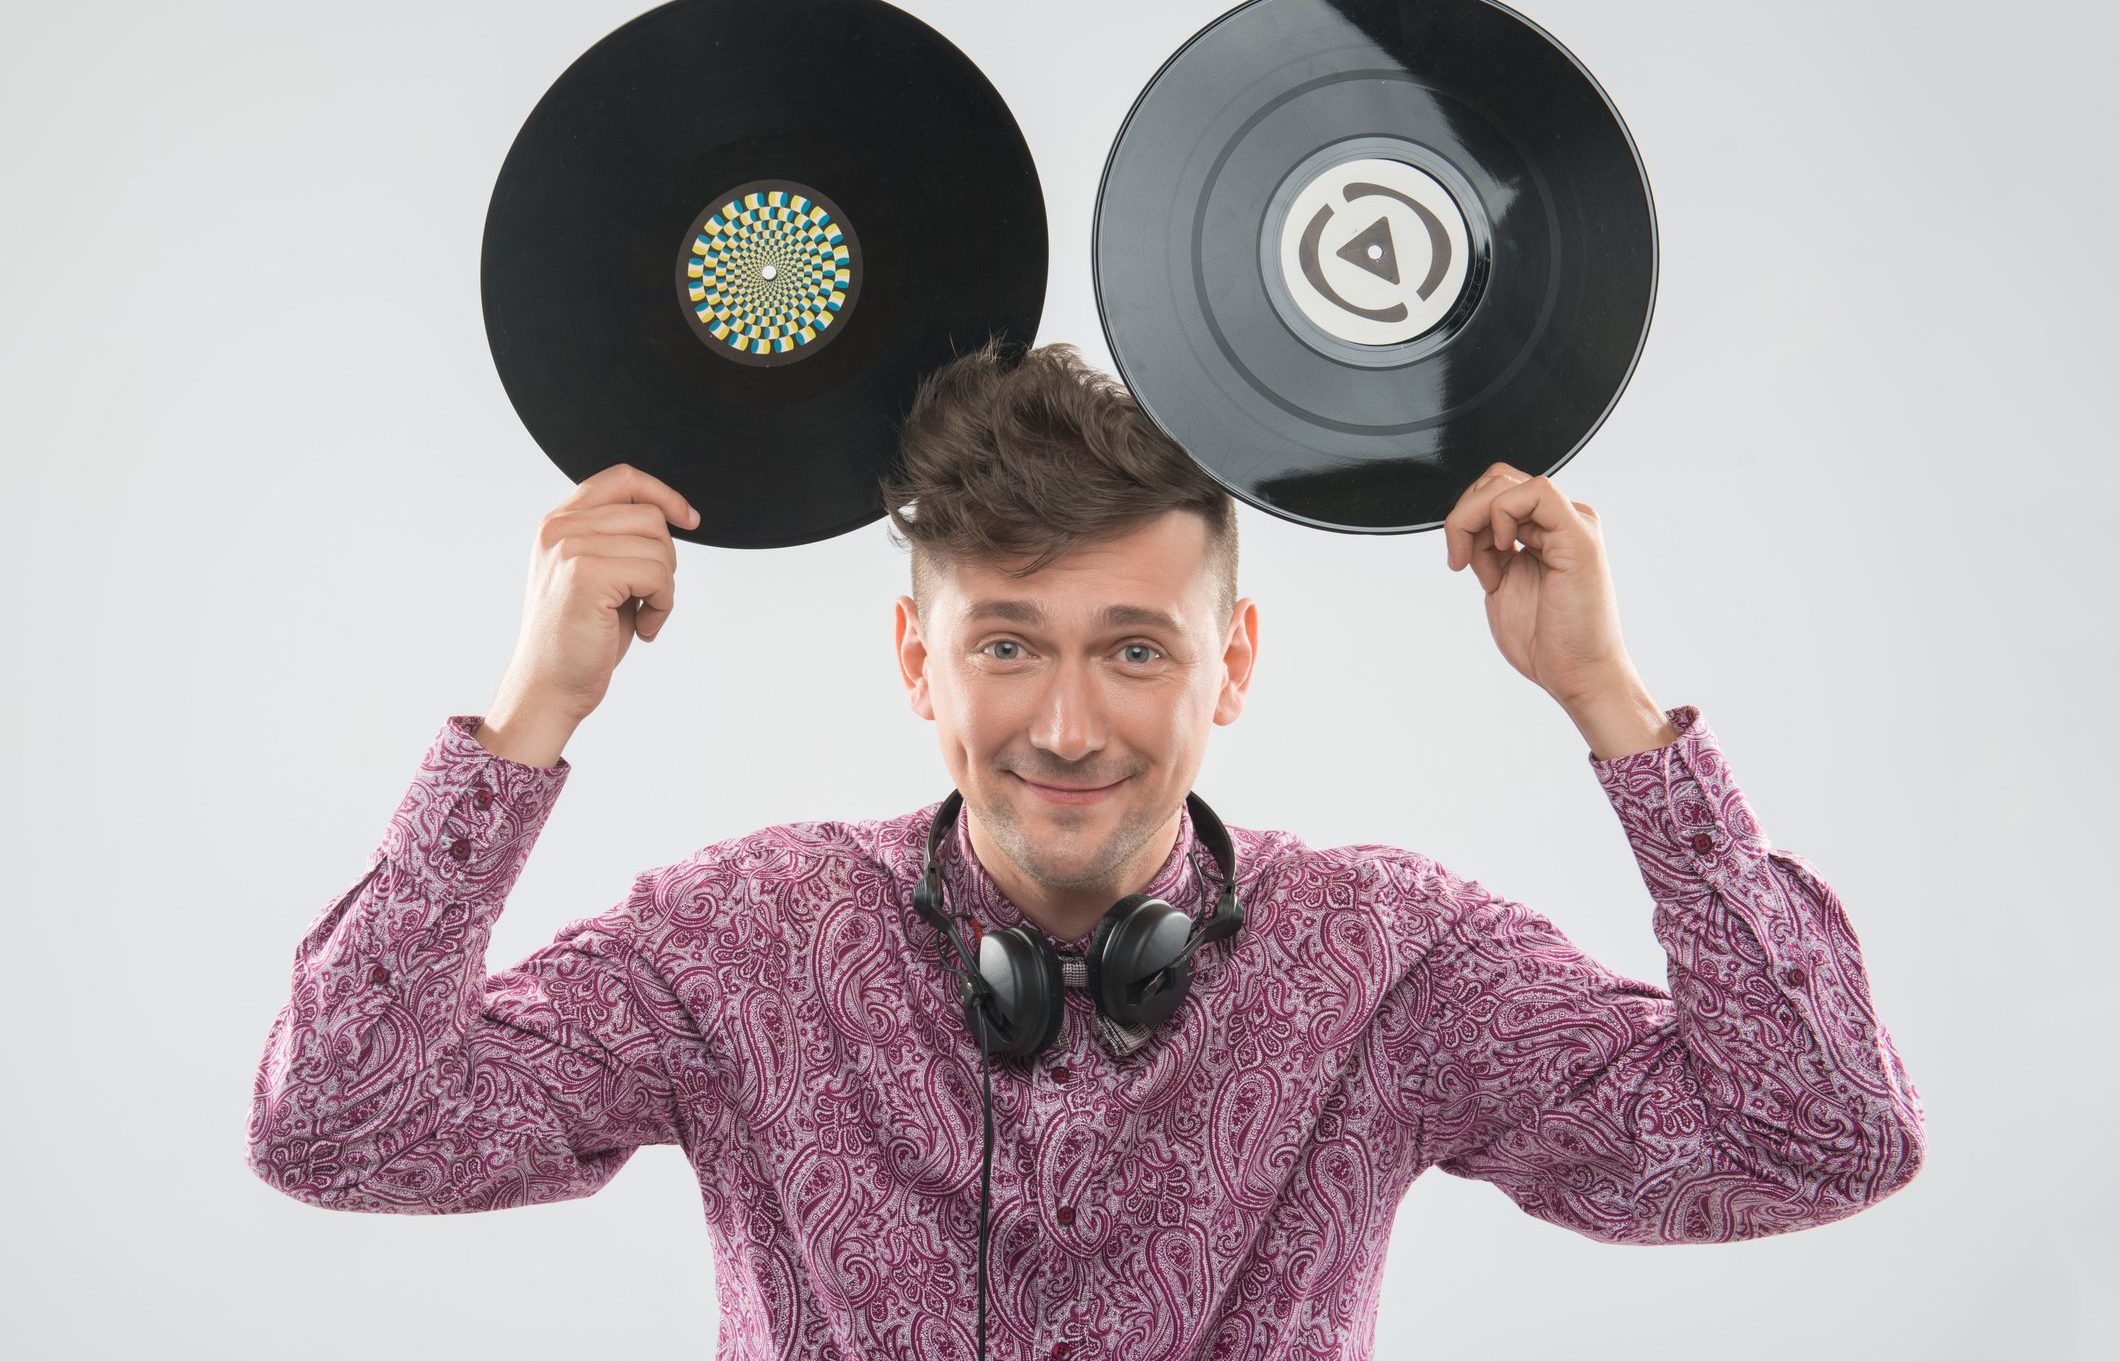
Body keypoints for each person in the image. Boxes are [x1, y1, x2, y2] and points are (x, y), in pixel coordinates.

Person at [246, 337, 1925, 1358]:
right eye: (1005, 644)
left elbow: (1823, 1138)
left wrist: (1608, 700)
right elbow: (339, 1128)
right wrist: (533, 711)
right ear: (918, 661)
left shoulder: (1397, 959)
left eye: (1134, 648)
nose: (1065, 726)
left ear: (1233, 663)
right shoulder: (742, 938)